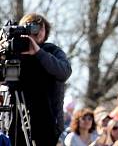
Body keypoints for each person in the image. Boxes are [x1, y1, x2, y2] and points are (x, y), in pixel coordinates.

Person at [9, 12, 72, 146]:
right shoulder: (14, 52)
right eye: (31, 27)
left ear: (46, 31)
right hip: (17, 124)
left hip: (48, 126)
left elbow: (64, 72)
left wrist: (39, 52)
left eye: (40, 28)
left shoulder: (52, 50)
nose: (36, 32)